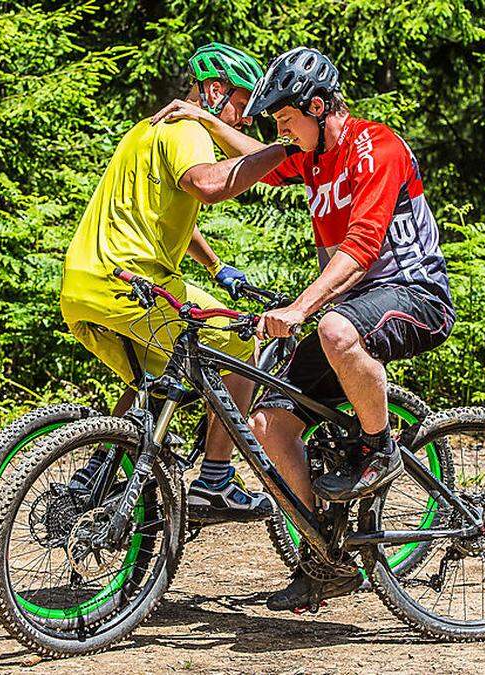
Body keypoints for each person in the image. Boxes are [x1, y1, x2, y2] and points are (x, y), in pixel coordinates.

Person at [150, 47, 455, 611]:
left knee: (336, 330)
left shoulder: (378, 148)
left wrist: (297, 310)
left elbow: (361, 250)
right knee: (267, 422)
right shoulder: (310, 156)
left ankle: (379, 448)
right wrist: (205, 120)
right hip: (353, 308)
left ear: (318, 106)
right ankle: (327, 560)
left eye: (288, 121)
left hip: (416, 294)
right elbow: (258, 161)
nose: (282, 133)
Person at [61, 42, 294, 523]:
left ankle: (97, 470)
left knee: (154, 377)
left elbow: (173, 214)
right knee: (240, 344)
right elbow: (207, 185)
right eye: (241, 107)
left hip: (84, 286)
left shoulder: (145, 131)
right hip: (133, 280)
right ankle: (216, 481)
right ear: (213, 91)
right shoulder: (187, 126)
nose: (244, 121)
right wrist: (278, 150)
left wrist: (216, 268)